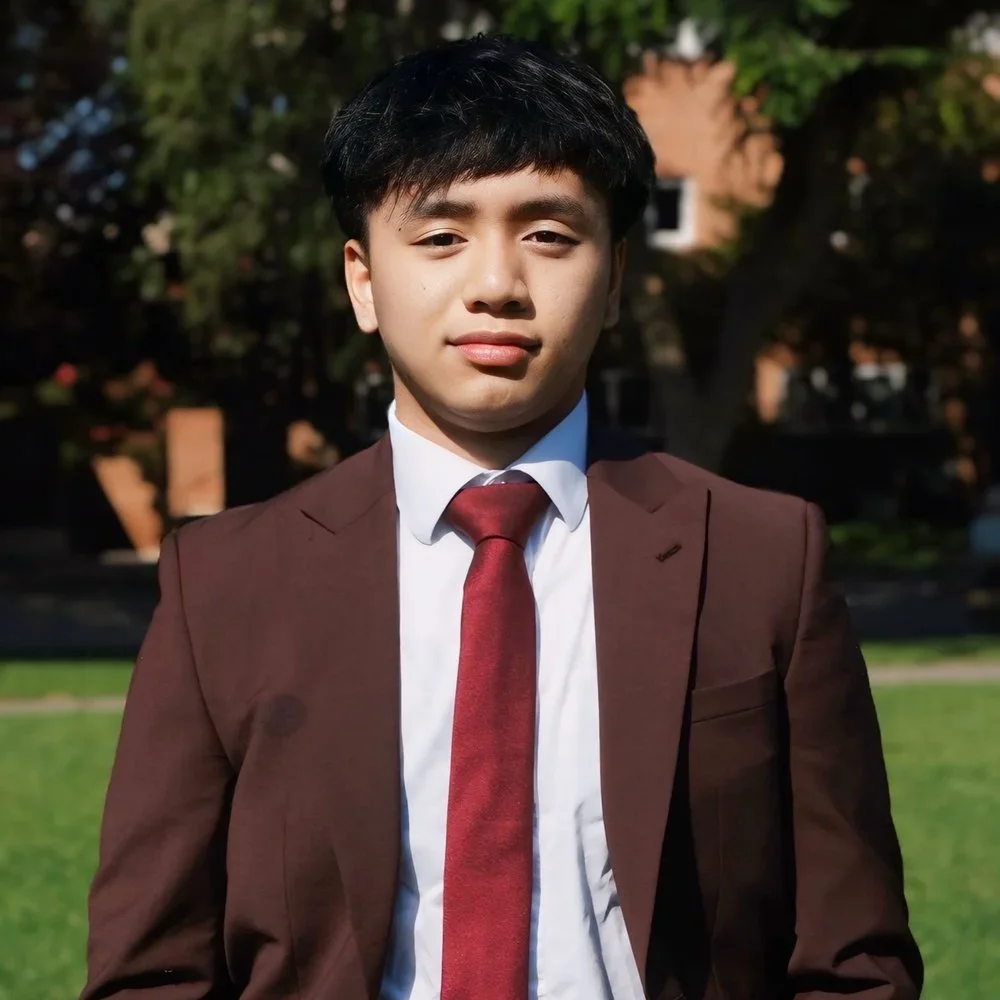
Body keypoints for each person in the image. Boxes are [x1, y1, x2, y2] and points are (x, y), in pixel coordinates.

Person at [81, 34, 923, 1000]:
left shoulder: (762, 558)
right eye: (441, 237)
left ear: (615, 279)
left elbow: (853, 962)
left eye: (549, 235)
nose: (496, 284)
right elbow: (152, 971)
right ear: (362, 279)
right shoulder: (225, 584)